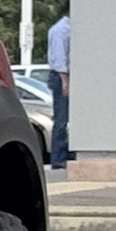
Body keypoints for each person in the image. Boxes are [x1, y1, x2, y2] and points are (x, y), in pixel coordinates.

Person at [48, 10, 71, 170]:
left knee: (64, 117)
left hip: (63, 76)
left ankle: (63, 153)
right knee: (61, 118)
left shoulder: (63, 28)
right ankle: (58, 157)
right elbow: (60, 57)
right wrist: (64, 80)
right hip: (61, 76)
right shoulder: (62, 30)